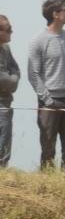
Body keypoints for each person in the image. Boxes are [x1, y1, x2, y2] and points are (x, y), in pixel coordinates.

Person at [27, 0, 65, 169]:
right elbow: (33, 74)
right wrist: (47, 99)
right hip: (49, 103)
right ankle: (47, 181)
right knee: (48, 149)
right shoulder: (38, 40)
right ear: (55, 14)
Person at [0, 15, 19, 167]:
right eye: (8, 29)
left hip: (5, 102)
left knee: (5, 143)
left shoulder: (6, 48)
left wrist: (12, 79)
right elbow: (3, 80)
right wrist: (13, 79)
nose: (11, 32)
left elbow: (16, 69)